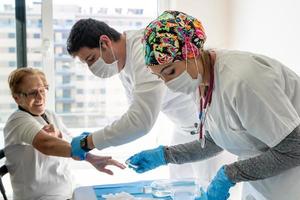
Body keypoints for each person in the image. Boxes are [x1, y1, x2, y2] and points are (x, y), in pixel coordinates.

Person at [127, 10, 300, 200]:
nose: (168, 83)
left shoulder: (242, 79)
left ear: (191, 52)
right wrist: (165, 155)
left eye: (170, 71)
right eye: (160, 77)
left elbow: (294, 148)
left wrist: (230, 174)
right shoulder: (199, 80)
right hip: (264, 181)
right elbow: (216, 140)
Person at [66, 18, 229, 182]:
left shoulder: (144, 52)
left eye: (91, 59)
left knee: (209, 187)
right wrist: (94, 139)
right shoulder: (123, 63)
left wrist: (89, 142)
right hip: (184, 128)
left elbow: (140, 121)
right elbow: (134, 113)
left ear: (105, 43)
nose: (92, 68)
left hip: (210, 130)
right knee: (179, 187)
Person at [4, 68, 125, 200]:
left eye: (42, 90)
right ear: (17, 98)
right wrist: (87, 155)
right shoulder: (17, 120)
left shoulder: (49, 115)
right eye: (33, 93)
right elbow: (47, 144)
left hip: (68, 190)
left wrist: (89, 156)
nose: (40, 97)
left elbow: (71, 143)